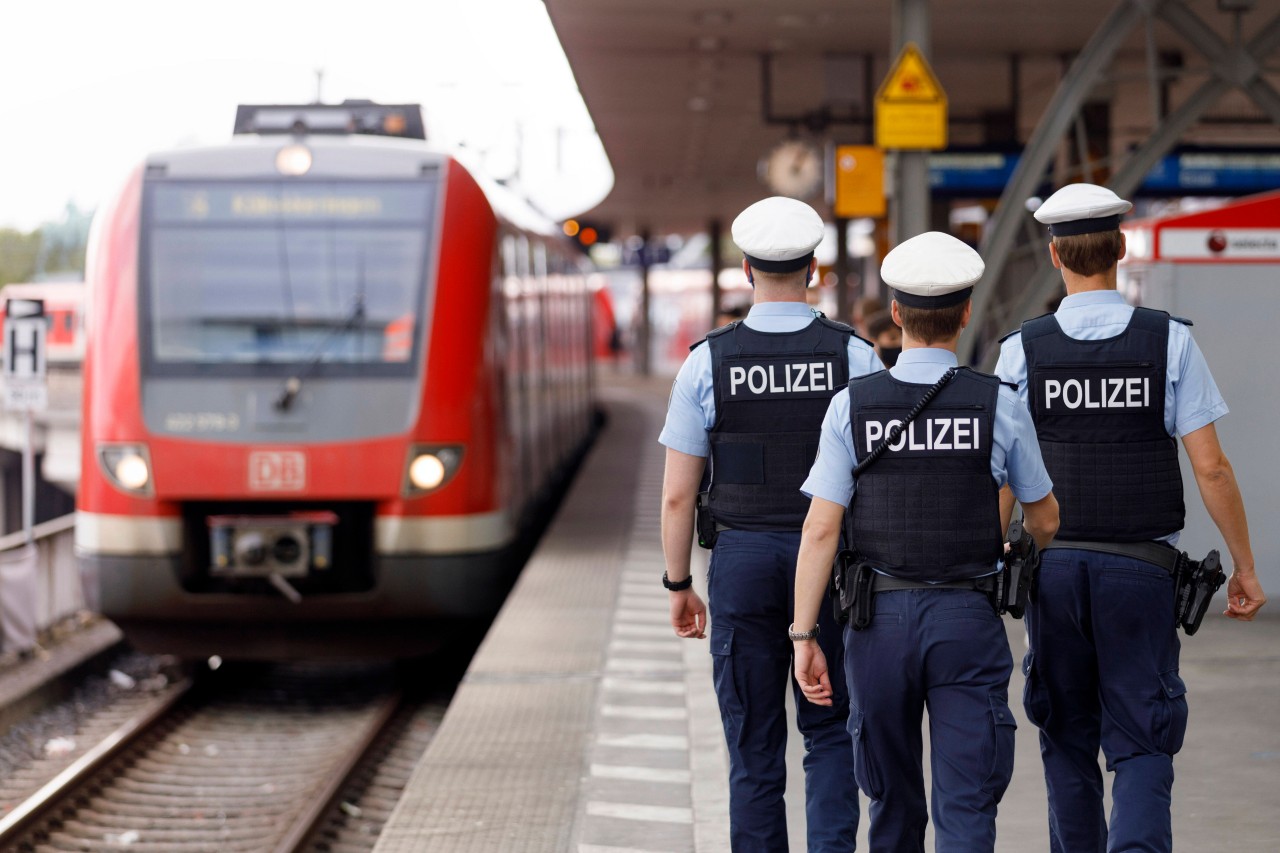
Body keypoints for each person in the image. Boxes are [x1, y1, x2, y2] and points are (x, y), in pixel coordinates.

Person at [995, 183, 1267, 852]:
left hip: (1053, 574)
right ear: (1120, 248)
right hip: (1142, 573)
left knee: (1066, 732)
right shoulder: (1168, 343)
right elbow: (1212, 468)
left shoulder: (1020, 350)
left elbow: (1000, 474)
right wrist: (1245, 567)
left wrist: (984, 568)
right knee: (1143, 738)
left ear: (1055, 254)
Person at [791, 231, 1059, 852]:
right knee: (966, 805)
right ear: (966, 315)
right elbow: (1044, 519)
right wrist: (1017, 545)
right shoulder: (999, 404)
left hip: (876, 623)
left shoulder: (850, 407)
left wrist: (805, 635)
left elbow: (821, 528)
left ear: (895, 314)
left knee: (891, 802)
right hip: (967, 618)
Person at [659, 196, 882, 851]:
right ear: (813, 269)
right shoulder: (856, 357)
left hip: (742, 562)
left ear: (747, 271)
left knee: (753, 742)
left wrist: (679, 583)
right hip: (833, 566)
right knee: (832, 728)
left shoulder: (707, 360)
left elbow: (678, 495)